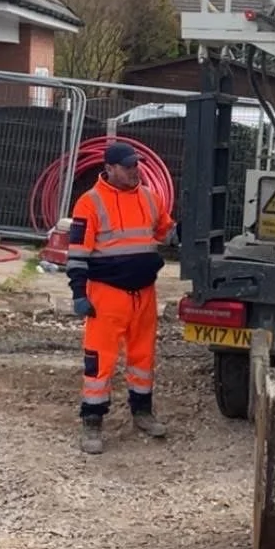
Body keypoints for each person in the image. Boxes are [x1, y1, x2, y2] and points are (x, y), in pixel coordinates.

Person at [66, 141, 174, 455]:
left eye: (135, 165)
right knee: (100, 361)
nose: (133, 171)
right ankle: (92, 421)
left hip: (144, 294)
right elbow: (77, 256)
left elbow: (164, 231)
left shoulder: (151, 199)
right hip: (107, 296)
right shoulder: (90, 203)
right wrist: (78, 294)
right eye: (127, 166)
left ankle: (142, 412)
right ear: (110, 168)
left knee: (143, 358)